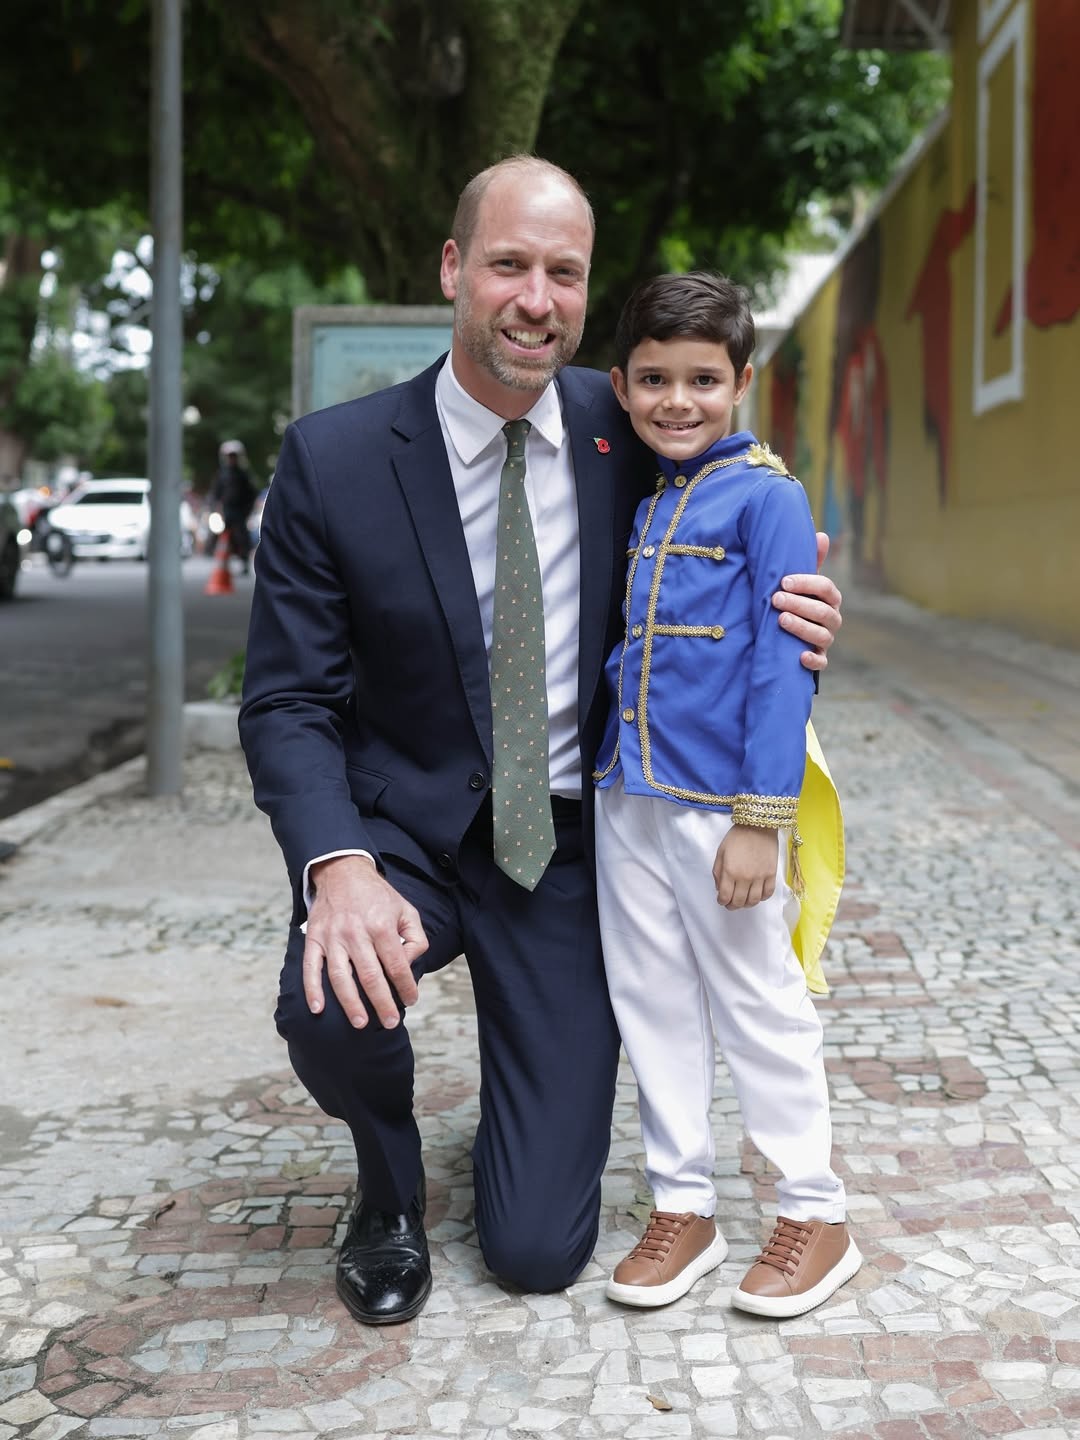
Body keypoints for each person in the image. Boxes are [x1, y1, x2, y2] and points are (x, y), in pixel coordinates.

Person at [237, 157, 843, 1328]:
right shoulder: (336, 459)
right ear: (456, 270)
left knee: (534, 1250)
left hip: (569, 845)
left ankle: (557, 1149)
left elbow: (736, 564)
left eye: (564, 273)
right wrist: (339, 865)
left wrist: (808, 615)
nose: (537, 297)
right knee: (328, 1001)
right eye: (510, 263)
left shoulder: (631, 430)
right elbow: (286, 702)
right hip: (403, 830)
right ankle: (390, 1184)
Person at [594, 272, 858, 1318]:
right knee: (652, 1005)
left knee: (760, 1005)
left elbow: (780, 670)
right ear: (619, 385)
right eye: (653, 378)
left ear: (741, 382)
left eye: (702, 379)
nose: (677, 400)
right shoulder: (646, 493)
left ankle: (816, 1209)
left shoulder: (771, 497)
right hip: (628, 799)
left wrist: (760, 821)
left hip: (722, 810)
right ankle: (684, 1203)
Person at [212, 440, 257, 573]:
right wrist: (217, 508)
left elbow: (251, 493)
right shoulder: (222, 473)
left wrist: (247, 510)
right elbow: (216, 492)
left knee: (241, 536)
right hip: (227, 511)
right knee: (224, 537)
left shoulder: (243, 474)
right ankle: (223, 563)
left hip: (240, 511)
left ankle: (244, 561)